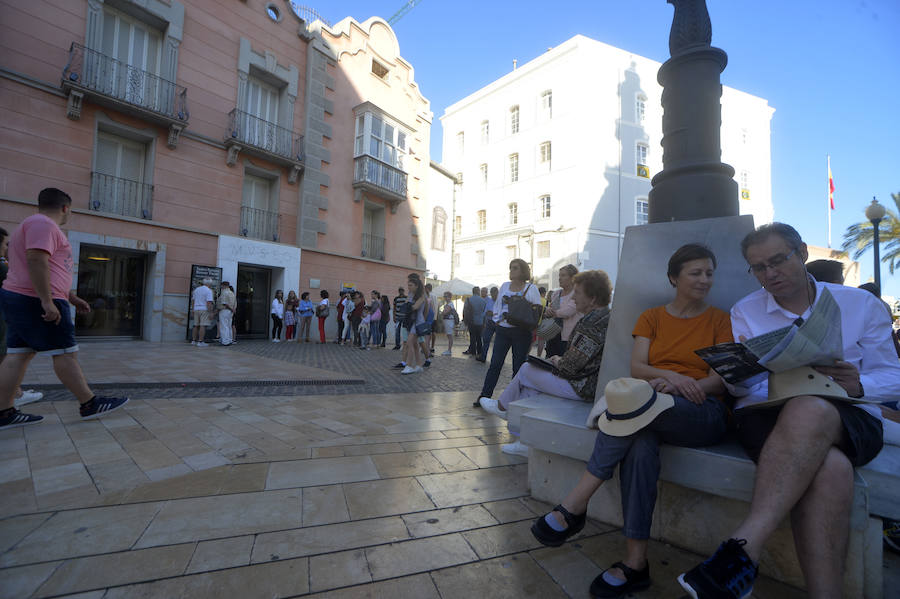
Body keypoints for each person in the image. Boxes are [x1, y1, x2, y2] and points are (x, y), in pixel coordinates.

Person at [678, 223, 899, 599]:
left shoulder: (859, 305)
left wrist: (859, 384)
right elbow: (741, 388)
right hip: (765, 413)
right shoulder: (746, 311)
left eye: (778, 260)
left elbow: (893, 375)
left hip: (848, 413)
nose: (770, 274)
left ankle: (744, 548)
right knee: (831, 468)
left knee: (811, 406)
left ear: (802, 254)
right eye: (759, 268)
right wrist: (741, 374)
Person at [529, 244, 733, 598]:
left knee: (630, 407)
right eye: (695, 272)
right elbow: (638, 368)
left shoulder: (720, 320)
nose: (704, 280)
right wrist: (669, 379)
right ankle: (636, 563)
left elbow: (719, 379)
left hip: (702, 411)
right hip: (652, 407)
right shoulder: (651, 318)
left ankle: (575, 503)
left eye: (709, 273)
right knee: (639, 447)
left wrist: (686, 385)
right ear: (674, 278)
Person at [0, 188, 128, 429]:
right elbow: (37, 261)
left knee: (18, 354)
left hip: (22, 296)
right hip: (34, 298)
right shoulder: (44, 224)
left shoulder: (29, 225)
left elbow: (45, 267)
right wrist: (48, 301)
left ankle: (4, 412)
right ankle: (89, 403)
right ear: (65, 208)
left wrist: (70, 297)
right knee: (64, 352)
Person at [481, 270, 613, 457]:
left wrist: (559, 360)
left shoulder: (594, 323)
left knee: (526, 369)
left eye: (578, 293)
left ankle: (503, 407)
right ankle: (525, 442)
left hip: (581, 387)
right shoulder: (599, 318)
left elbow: (572, 365)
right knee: (529, 389)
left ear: (592, 298)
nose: (573, 297)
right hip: (583, 383)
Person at [474, 259, 543, 407]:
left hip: (522, 332)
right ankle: (484, 395)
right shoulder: (505, 286)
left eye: (515, 268)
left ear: (523, 271)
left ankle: (515, 400)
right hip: (503, 330)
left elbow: (536, 311)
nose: (511, 270)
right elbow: (498, 305)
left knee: (518, 367)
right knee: (495, 364)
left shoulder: (531, 289)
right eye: (510, 267)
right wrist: (498, 320)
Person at [0, 227, 43, 407]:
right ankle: (13, 396)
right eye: (5, 244)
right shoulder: (3, 268)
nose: (7, 248)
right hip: (4, 318)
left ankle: (16, 393)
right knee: (9, 354)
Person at [544, 264, 580, 357]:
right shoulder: (556, 293)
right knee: (549, 360)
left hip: (568, 337)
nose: (560, 278)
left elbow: (569, 311)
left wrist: (553, 313)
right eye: (559, 275)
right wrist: (547, 311)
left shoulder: (578, 293)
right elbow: (551, 308)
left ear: (573, 278)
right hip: (552, 334)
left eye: (563, 275)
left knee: (562, 363)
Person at [401, 274, 427, 374]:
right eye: (408, 285)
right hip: (411, 321)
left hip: (417, 322)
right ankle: (419, 365)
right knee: (415, 345)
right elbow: (407, 305)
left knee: (409, 342)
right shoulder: (411, 294)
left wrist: (408, 305)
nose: (409, 287)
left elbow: (415, 307)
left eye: (411, 285)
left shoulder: (421, 296)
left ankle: (409, 365)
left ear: (416, 286)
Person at [463, 286, 486, 358]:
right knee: (479, 337)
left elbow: (465, 310)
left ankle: (473, 351)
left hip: (471, 321)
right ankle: (479, 351)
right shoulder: (483, 301)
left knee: (472, 336)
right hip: (480, 321)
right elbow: (484, 311)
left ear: (473, 292)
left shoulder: (469, 300)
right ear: (478, 291)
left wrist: (465, 320)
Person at [477, 286, 499, 363]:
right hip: (489, 322)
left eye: (494, 294)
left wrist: (493, 313)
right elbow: (485, 311)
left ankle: (496, 359)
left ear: (497, 293)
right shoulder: (489, 301)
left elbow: (503, 313)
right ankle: (483, 357)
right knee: (486, 340)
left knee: (497, 343)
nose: (493, 296)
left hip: (498, 323)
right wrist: (487, 313)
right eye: (492, 294)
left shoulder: (501, 301)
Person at [191, 278, 214, 347]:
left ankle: (193, 340)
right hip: (204, 309)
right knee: (202, 325)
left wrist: (193, 309)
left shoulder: (196, 289)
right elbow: (209, 302)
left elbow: (193, 300)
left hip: (196, 308)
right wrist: (210, 313)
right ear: (209, 284)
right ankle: (200, 341)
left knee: (195, 325)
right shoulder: (208, 291)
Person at [440, 291, 460, 356]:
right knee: (449, 335)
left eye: (446, 296)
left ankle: (449, 350)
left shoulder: (450, 304)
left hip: (449, 321)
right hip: (448, 321)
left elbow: (444, 312)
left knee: (450, 335)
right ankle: (449, 350)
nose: (445, 298)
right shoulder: (448, 304)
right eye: (444, 296)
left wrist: (442, 312)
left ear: (449, 297)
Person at [217, 280, 236, 346]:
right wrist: (233, 309)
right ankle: (230, 339)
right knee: (229, 326)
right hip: (230, 312)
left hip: (224, 310)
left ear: (224, 285)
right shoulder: (231, 293)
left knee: (224, 326)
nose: (221, 286)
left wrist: (230, 309)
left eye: (221, 285)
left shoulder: (224, 293)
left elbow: (224, 303)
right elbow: (235, 303)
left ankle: (225, 341)